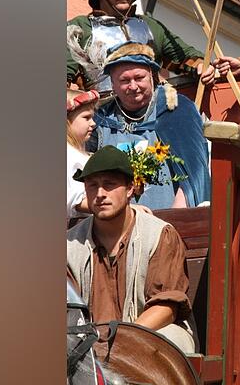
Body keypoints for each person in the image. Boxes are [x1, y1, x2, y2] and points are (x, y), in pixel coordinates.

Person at [67, 145, 195, 353]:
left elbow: (166, 307)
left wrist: (122, 342)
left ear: (130, 188)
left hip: (146, 338)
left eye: (109, 184)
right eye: (92, 185)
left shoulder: (159, 235)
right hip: (88, 346)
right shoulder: (69, 246)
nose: (100, 194)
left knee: (171, 339)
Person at [67, 0, 219, 92]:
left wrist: (202, 66)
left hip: (150, 111)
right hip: (101, 114)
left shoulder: (150, 26)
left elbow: (188, 58)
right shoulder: (80, 27)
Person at [86, 39, 210, 210]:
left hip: (166, 223)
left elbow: (193, 172)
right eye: (124, 80)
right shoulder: (100, 118)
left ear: (152, 76)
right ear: (113, 84)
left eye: (139, 78)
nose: (133, 86)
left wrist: (174, 220)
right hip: (113, 227)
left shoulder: (176, 110)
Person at [66, 89, 100, 220]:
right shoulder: (68, 155)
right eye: (86, 117)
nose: (93, 123)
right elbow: (74, 200)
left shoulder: (77, 153)